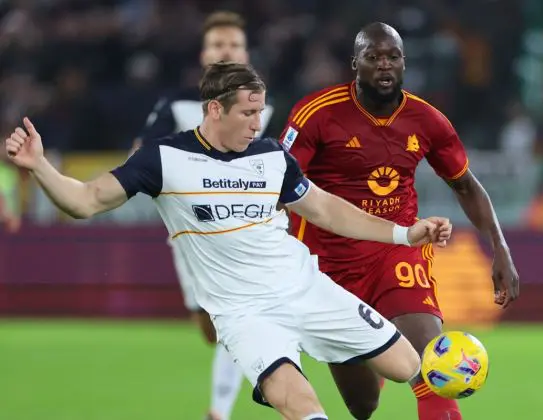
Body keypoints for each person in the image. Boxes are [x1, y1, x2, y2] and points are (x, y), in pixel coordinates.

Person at [5, 62, 454, 420]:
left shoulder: (272, 156)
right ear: (214, 110)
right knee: (303, 408)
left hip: (307, 290)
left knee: (409, 367)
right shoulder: (164, 160)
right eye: (248, 113)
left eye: (261, 112)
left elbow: (326, 209)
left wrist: (404, 233)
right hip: (244, 315)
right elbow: (84, 201)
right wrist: (40, 166)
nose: (258, 123)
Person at [280, 22, 520, 420]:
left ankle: (401, 357)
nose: (384, 65)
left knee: (433, 366)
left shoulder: (427, 120)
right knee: (362, 405)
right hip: (329, 265)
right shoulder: (317, 113)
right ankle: (377, 349)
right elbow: (281, 184)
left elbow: (466, 186)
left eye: (392, 57)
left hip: (399, 250)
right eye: (373, 58)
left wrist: (501, 248)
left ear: (404, 63)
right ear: (355, 63)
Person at [130, 11, 273, 420]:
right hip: (190, 234)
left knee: (236, 316)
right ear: (204, 53)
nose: (225, 50)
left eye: (233, 44)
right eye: (217, 44)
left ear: (246, 53)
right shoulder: (177, 104)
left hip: (247, 231)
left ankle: (219, 411)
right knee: (211, 328)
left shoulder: (269, 105)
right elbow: (142, 155)